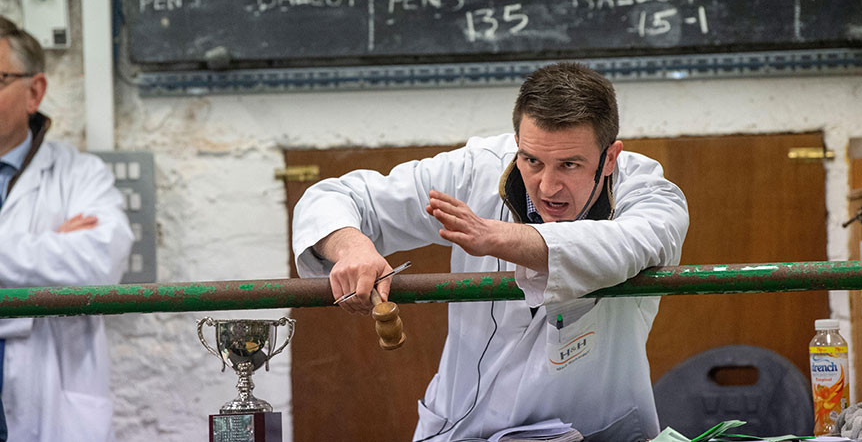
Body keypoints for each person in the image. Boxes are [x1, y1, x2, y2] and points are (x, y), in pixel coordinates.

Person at [292, 62, 689, 441]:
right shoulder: (475, 170)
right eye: (531, 160)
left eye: (569, 164)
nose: (547, 187)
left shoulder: (650, 193)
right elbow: (337, 196)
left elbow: (627, 244)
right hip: (467, 426)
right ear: (517, 142)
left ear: (610, 158)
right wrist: (351, 247)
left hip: (598, 430)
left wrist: (497, 237)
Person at [0, 16, 133, 441]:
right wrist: (51, 247)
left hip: (50, 403)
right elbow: (67, 267)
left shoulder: (81, 175)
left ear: (34, 91)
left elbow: (96, 268)